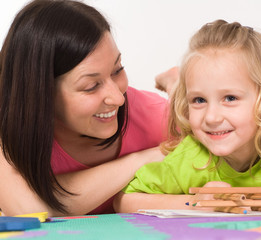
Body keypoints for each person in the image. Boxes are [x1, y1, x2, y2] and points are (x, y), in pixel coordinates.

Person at [115, 20, 261, 213]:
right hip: (185, 111)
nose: (211, 118)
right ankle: (174, 81)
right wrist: (195, 202)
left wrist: (249, 204)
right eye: (198, 100)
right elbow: (124, 201)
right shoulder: (190, 155)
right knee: (179, 102)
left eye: (230, 98)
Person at [0, 0, 169, 217]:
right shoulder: (9, 129)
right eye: (91, 86)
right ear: (40, 94)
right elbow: (29, 210)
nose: (118, 99)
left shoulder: (157, 116)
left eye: (118, 70)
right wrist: (143, 159)